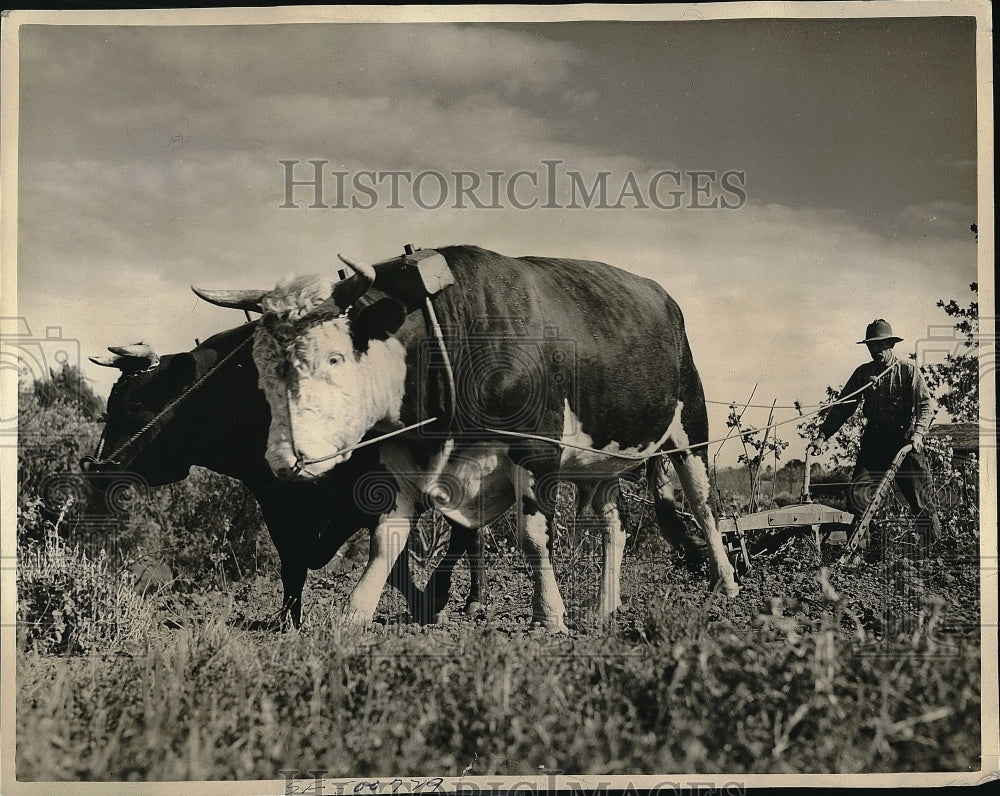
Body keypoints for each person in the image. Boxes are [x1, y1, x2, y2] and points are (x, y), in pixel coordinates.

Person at [810, 319, 941, 543]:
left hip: (904, 440)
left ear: (891, 345)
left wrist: (918, 434)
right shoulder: (862, 374)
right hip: (874, 442)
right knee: (857, 497)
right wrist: (822, 436)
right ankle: (859, 554)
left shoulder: (907, 370)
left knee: (921, 498)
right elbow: (842, 408)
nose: (877, 350)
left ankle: (934, 550)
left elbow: (926, 405)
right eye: (872, 346)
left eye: (881, 345)